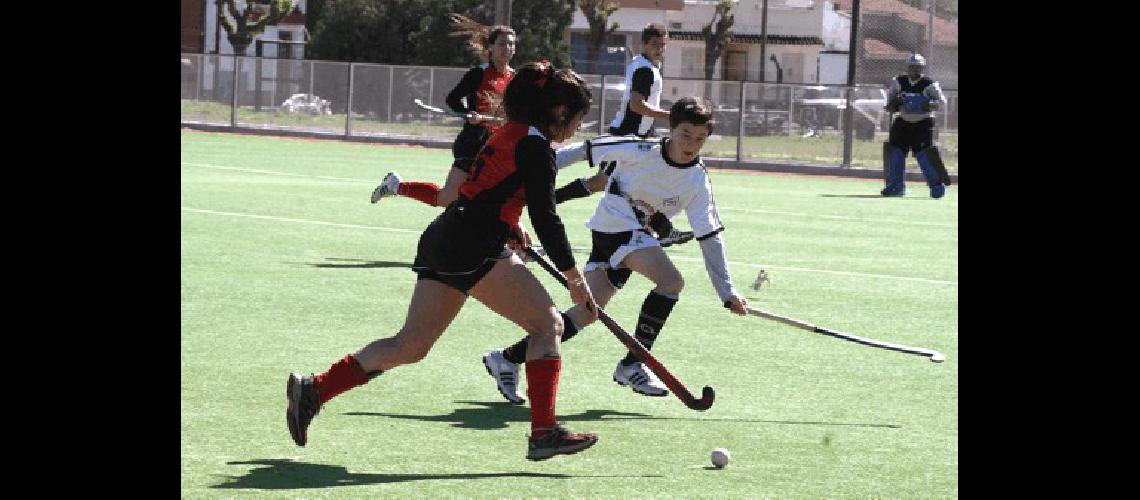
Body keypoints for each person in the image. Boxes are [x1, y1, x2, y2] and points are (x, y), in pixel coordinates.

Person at [287, 61, 602, 461]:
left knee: (410, 346)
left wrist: (509, 226)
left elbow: (485, 192)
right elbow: (546, 216)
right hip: (474, 245)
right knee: (548, 324)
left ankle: (314, 388)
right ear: (559, 112)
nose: (576, 128)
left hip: (447, 236)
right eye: (577, 119)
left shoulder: (510, 133)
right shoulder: (537, 147)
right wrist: (575, 279)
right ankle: (543, 433)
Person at [482, 97, 749, 404]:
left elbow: (710, 236)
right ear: (672, 129)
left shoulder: (697, 180)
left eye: (700, 138)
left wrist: (727, 291)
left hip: (633, 236)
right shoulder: (640, 149)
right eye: (685, 134)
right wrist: (538, 168)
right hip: (615, 227)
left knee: (586, 314)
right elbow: (585, 150)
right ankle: (633, 363)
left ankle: (507, 358)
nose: (691, 144)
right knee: (671, 281)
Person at [552, 23, 693, 248]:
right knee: (602, 182)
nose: (660, 49)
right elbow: (637, 106)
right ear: (644, 44)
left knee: (637, 185)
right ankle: (548, 200)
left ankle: (662, 231)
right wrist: (671, 115)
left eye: (663, 45)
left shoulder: (645, 65)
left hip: (637, 137)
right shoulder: (645, 70)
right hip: (626, 136)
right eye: (655, 44)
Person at [370, 15, 515, 208]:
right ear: (491, 47)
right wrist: (468, 113)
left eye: (512, 44)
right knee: (447, 198)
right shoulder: (478, 74)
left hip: (498, 145)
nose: (508, 48)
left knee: (499, 197)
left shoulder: (514, 77)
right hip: (474, 143)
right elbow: (452, 99)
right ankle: (397, 186)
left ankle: (513, 237)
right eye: (503, 43)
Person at [881, 53, 951, 199]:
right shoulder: (898, 82)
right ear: (907, 67)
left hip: (923, 123)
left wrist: (927, 104)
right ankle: (895, 186)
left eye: (918, 67)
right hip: (902, 122)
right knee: (895, 152)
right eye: (912, 66)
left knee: (925, 155)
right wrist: (896, 103)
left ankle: (937, 187)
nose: (914, 70)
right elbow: (889, 105)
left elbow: (942, 102)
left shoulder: (929, 84)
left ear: (922, 68)